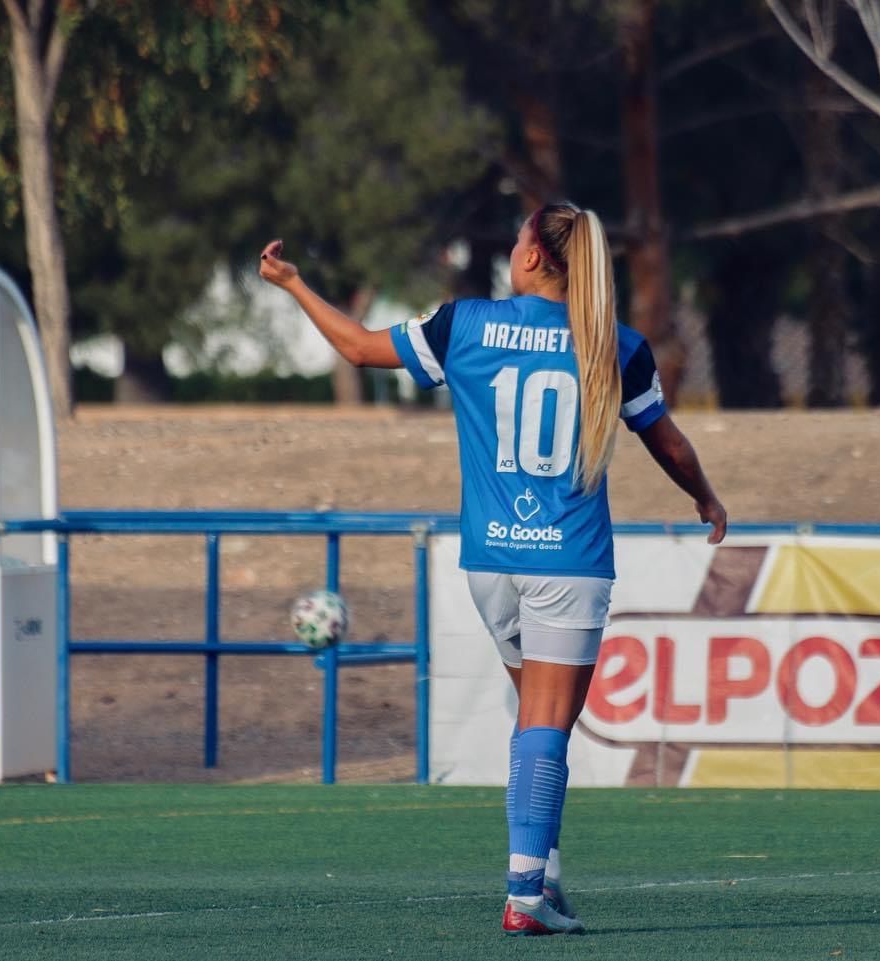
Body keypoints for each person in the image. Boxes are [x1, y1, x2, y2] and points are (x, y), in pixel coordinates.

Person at [259, 201, 727, 936]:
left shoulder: (465, 325)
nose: (512, 247)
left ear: (536, 256)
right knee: (547, 723)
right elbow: (665, 442)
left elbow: (354, 347)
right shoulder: (615, 344)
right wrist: (705, 496)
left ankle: (543, 869)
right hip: (568, 561)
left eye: (517, 237)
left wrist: (291, 283)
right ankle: (526, 897)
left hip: (489, 562)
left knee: (534, 716)